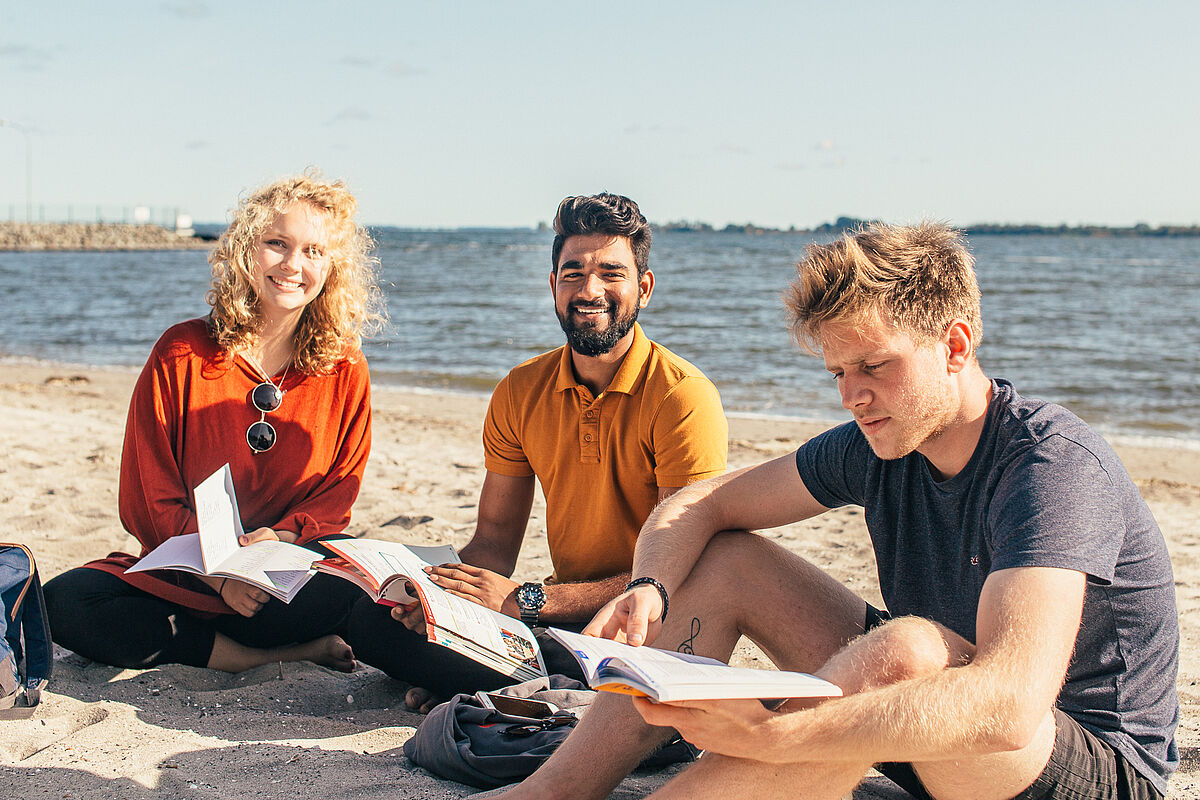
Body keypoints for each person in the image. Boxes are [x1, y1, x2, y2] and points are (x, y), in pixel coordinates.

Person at [496, 222, 1179, 800]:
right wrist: (650, 585)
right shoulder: (879, 442)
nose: (852, 396)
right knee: (729, 557)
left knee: (908, 647)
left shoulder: (1049, 466)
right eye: (837, 373)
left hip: (1074, 761)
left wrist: (775, 736)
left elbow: (1008, 706)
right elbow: (704, 502)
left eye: (875, 366)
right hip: (925, 733)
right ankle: (548, 792)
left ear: (956, 345)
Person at [346, 192, 728, 711]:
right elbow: (494, 544)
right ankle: (507, 681)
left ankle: (498, 684)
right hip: (556, 615)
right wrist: (436, 597)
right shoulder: (521, 390)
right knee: (369, 621)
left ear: (644, 287)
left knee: (601, 659)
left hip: (654, 620)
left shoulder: (682, 396)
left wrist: (528, 601)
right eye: (573, 273)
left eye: (610, 273)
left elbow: (684, 565)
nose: (589, 290)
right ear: (553, 286)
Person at [44, 172, 384, 674]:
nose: (292, 265)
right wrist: (220, 573)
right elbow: (149, 496)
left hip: (283, 578)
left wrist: (283, 539)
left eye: (313, 251)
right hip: (188, 578)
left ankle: (268, 638)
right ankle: (256, 658)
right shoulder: (181, 351)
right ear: (247, 249)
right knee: (66, 601)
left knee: (359, 583)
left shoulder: (345, 366)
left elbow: (337, 495)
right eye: (277, 243)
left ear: (332, 268)